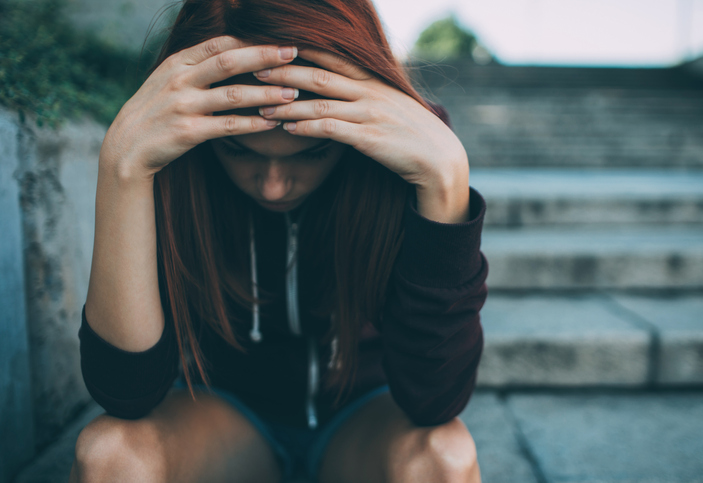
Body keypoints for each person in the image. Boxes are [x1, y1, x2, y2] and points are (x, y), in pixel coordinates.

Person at [70, 0, 489, 481]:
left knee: (445, 456)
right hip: (222, 420)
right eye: (235, 148)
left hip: (365, 422)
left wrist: (446, 181)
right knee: (109, 453)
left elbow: (436, 400)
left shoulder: (409, 155)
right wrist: (123, 167)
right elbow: (127, 392)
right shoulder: (172, 152)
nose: (273, 185)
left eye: (312, 152)